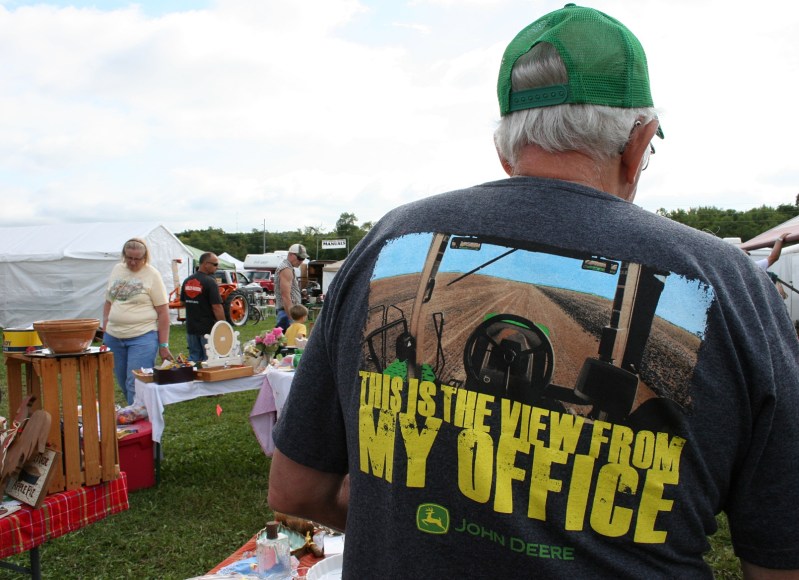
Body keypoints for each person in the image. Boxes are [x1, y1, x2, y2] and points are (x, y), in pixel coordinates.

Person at [268, 5, 799, 579]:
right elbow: (779, 558)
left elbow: (296, 490)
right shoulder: (728, 281)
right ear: (638, 144)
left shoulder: (389, 240)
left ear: (506, 149)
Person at [103, 238, 172, 405]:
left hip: (142, 336)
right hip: (114, 337)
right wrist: (105, 328)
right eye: (129, 258)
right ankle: (135, 415)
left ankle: (138, 423)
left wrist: (163, 346)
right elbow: (108, 301)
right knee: (123, 382)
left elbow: (163, 312)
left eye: (137, 259)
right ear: (124, 255)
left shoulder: (152, 274)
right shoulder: (117, 269)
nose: (133, 262)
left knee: (135, 383)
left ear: (145, 257)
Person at [180, 252, 225, 361]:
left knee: (194, 358)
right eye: (215, 264)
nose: (217, 267)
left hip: (191, 327)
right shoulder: (210, 282)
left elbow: (182, 302)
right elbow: (217, 307)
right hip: (207, 329)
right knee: (209, 359)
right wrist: (224, 325)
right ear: (205, 264)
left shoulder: (187, 281)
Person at [274, 243, 307, 332]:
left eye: (303, 259)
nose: (301, 261)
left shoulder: (288, 267)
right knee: (287, 342)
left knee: (287, 342)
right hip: (287, 313)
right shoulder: (286, 269)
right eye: (300, 258)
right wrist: (292, 318)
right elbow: (285, 296)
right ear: (291, 255)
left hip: (287, 312)